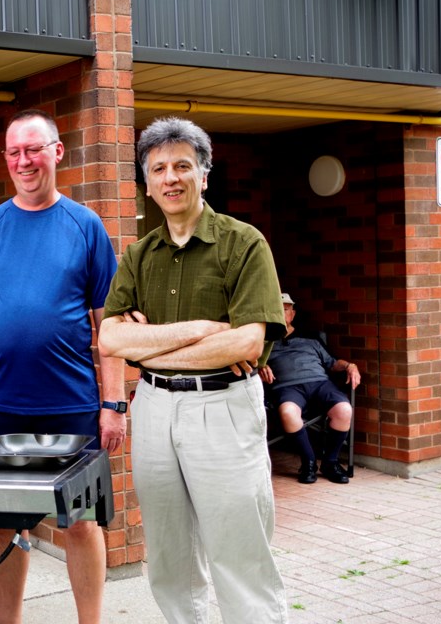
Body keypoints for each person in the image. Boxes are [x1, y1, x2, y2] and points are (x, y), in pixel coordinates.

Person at [97, 117, 289, 623]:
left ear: (205, 174)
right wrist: (203, 330)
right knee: (168, 559)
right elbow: (111, 338)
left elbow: (248, 340)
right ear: (147, 184)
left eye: (183, 165)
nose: (170, 177)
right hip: (155, 409)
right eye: (158, 168)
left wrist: (148, 347)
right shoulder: (139, 256)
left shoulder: (244, 243)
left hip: (222, 407)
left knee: (239, 553)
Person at [0, 109, 125, 624]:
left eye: (34, 149)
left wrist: (112, 404)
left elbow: (107, 325)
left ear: (57, 152)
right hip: (0, 405)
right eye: (14, 152)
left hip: (72, 406)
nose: (24, 161)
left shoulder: (85, 226)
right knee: (4, 524)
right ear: (6, 159)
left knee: (81, 523)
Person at [259, 293, 360, 484]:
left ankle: (330, 462)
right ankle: (309, 462)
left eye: (286, 309)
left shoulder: (311, 336)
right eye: (277, 310)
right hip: (287, 388)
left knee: (344, 410)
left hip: (320, 383)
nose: (282, 313)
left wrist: (349, 366)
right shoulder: (263, 341)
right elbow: (248, 365)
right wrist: (260, 366)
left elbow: (332, 363)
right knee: (288, 412)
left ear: (293, 313)